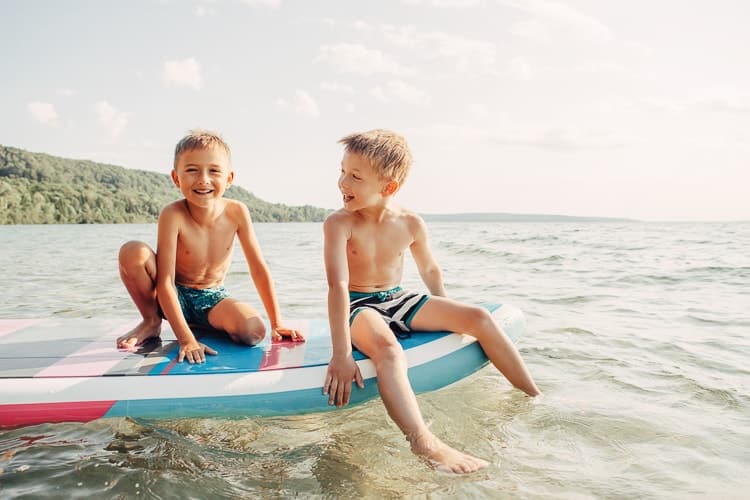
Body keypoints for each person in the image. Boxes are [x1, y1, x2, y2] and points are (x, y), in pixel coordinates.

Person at [322, 129, 540, 474]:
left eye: (355, 176)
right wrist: (341, 353)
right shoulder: (338, 222)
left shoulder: (410, 223)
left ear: (388, 187)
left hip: (398, 298)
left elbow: (430, 269)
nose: (342, 182)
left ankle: (533, 396)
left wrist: (447, 314)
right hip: (358, 305)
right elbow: (337, 286)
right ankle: (423, 442)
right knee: (388, 351)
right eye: (342, 171)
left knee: (479, 317)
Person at [116, 129, 303, 362]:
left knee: (254, 331)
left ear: (229, 178)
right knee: (133, 251)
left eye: (214, 171)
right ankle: (151, 321)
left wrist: (277, 323)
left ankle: (202, 324)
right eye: (192, 170)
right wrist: (186, 339)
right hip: (173, 294)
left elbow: (258, 268)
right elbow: (164, 281)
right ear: (176, 178)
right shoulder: (173, 214)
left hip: (212, 299)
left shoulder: (237, 212)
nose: (203, 179)